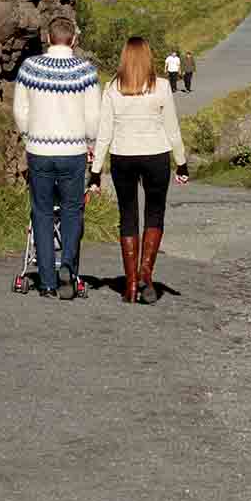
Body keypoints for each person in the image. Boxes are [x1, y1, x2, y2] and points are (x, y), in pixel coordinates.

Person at [89, 37, 188, 303]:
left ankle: (131, 285)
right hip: (156, 154)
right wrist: (182, 161)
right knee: (155, 213)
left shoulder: (111, 88)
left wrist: (96, 171)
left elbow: (104, 133)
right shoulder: (162, 87)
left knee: (128, 215)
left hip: (123, 156)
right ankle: (146, 272)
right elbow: (172, 129)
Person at [13, 14, 100, 300]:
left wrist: (29, 136)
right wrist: (89, 143)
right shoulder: (85, 70)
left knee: (41, 211)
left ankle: (47, 281)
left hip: (39, 151)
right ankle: (69, 268)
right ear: (74, 39)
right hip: (73, 152)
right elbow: (93, 115)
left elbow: (20, 110)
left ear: (48, 38)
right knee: (73, 210)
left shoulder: (30, 67)